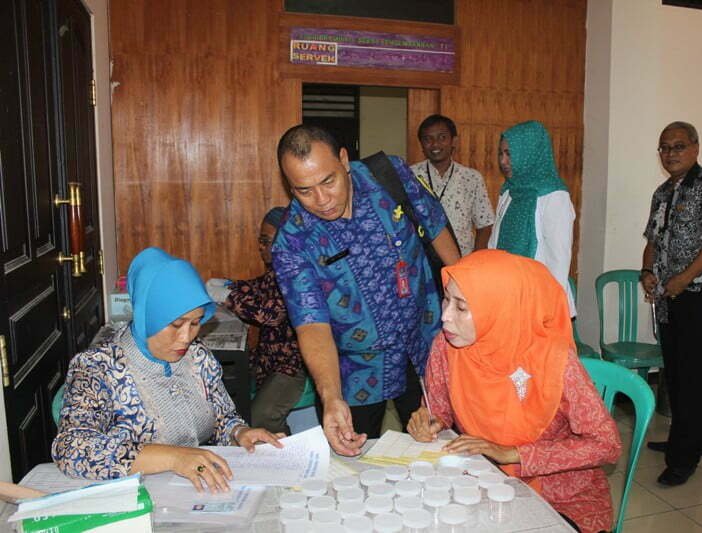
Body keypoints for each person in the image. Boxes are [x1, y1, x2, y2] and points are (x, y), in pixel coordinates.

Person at [272, 124, 459, 456]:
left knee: (439, 452)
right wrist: (331, 397)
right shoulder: (293, 241)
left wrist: (464, 291)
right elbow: (311, 323)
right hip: (355, 374)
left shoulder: (389, 175)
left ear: (344, 160)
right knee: (353, 464)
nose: (321, 199)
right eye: (304, 190)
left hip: (426, 348)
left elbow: (435, 226)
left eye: (328, 181)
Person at [407, 250, 621, 533]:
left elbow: (607, 445)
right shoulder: (446, 347)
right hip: (482, 480)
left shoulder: (554, 361)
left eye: (461, 307)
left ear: (501, 309)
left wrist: (515, 454)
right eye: (447, 299)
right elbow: (440, 412)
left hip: (561, 497)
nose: (445, 317)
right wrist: (428, 421)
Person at [52, 247, 283, 492]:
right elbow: (71, 448)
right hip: (133, 495)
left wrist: (239, 433)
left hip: (194, 490)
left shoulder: (197, 356)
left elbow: (222, 418)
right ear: (147, 315)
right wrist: (174, 458)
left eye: (195, 323)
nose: (186, 337)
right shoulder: (99, 368)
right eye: (176, 324)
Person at [640, 121, 702, 486]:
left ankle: (683, 459)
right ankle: (689, 441)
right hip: (669, 298)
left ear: (696, 147)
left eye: (678, 146)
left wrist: (684, 277)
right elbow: (652, 239)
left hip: (701, 296)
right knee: (676, 375)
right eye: (664, 147)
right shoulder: (662, 192)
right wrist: (647, 271)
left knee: (692, 376)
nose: (670, 153)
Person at [206, 207, 308, 434]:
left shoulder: (298, 275)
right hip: (269, 362)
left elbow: (272, 314)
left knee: (262, 416)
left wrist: (227, 296)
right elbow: (258, 287)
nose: (261, 247)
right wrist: (229, 284)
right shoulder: (276, 272)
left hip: (293, 367)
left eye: (266, 241)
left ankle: (288, 456)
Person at [488, 121, 577, 316]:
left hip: (540, 303)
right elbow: (494, 246)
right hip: (507, 297)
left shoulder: (554, 196)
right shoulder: (508, 193)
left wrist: (550, 312)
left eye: (510, 154)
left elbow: (559, 260)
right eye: (501, 154)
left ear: (529, 153)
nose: (503, 161)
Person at [410, 114, 495, 256]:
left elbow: (485, 225)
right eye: (427, 139)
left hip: (461, 263)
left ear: (454, 141)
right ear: (421, 145)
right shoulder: (410, 176)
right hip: (422, 264)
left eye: (442, 137)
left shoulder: (472, 178)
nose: (435, 144)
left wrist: (475, 261)